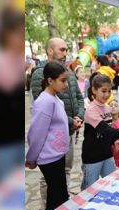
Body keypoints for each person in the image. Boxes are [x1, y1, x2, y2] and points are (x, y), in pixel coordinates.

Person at [30, 38, 84, 198]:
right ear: (49, 51)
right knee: (49, 179)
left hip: (69, 132)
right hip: (52, 137)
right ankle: (50, 206)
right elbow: (45, 107)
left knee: (66, 170)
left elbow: (79, 98)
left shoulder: (69, 73)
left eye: (66, 50)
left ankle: (62, 201)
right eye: (62, 49)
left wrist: (79, 116)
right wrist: (71, 121)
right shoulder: (40, 73)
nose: (65, 53)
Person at [81, 73, 119, 190]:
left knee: (112, 184)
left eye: (109, 91)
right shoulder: (91, 110)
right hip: (92, 157)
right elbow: (104, 129)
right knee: (89, 188)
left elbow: (110, 129)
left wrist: (114, 141)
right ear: (94, 90)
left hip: (107, 154)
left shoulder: (107, 108)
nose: (107, 94)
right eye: (103, 91)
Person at [26, 61, 70, 210]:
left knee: (56, 196)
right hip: (50, 158)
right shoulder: (44, 102)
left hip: (57, 155)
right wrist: (31, 158)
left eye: (67, 80)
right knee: (60, 198)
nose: (66, 85)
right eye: (63, 81)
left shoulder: (55, 99)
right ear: (50, 81)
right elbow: (36, 133)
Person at [0, 7, 25, 184]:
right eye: (18, 34)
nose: (21, 39)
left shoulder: (17, 61)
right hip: (3, 140)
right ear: (5, 34)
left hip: (15, 136)